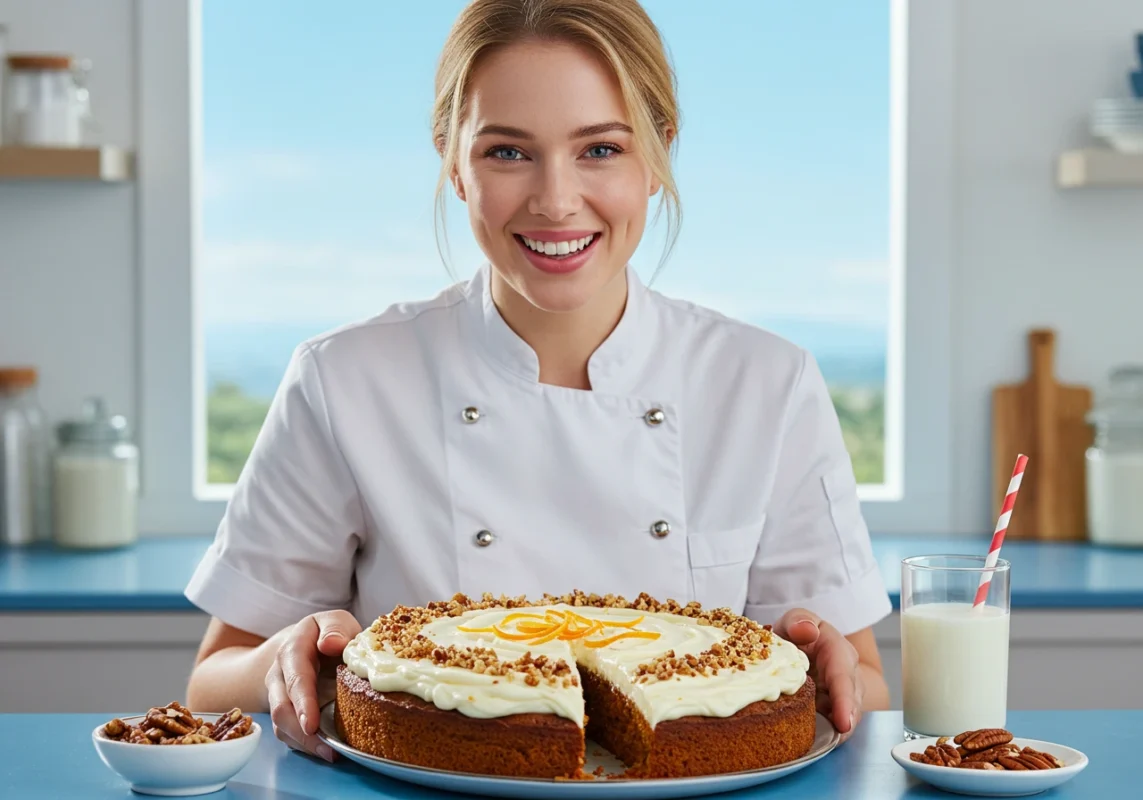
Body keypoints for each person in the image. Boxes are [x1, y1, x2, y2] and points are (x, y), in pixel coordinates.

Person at [184, 0, 892, 764]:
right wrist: (279, 662)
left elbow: (863, 688)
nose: (556, 200)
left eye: (600, 150)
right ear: (452, 162)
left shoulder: (766, 384)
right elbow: (209, 683)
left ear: (658, 154)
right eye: (508, 153)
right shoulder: (345, 380)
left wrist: (834, 671)